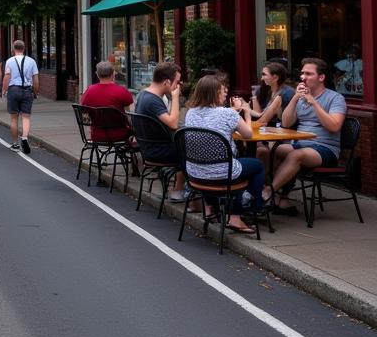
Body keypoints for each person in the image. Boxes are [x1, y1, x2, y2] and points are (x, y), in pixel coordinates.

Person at [183, 74, 270, 234]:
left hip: (195, 173)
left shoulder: (191, 113)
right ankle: (250, 208)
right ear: (215, 92)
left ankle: (213, 208)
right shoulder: (227, 114)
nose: (226, 94)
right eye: (223, 91)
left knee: (228, 164)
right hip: (223, 174)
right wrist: (246, 114)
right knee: (255, 165)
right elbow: (248, 135)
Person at [270, 58, 347, 214]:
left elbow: (334, 126)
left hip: (326, 149)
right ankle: (281, 197)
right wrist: (295, 98)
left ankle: (267, 193)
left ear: (321, 77)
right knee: (275, 150)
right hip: (302, 144)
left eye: (308, 74)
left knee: (295, 155)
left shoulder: (335, 98)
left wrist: (314, 103)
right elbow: (286, 122)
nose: (303, 77)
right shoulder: (301, 97)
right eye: (302, 73)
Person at [133, 60, 184, 201]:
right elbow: (173, 123)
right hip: (158, 151)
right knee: (192, 149)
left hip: (149, 148)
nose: (178, 85)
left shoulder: (143, 94)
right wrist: (174, 98)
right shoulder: (152, 100)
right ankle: (179, 191)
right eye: (177, 81)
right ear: (167, 82)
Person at [80, 61, 133, 144]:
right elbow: (130, 115)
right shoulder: (121, 91)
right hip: (120, 134)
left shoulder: (89, 90)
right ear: (113, 74)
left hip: (97, 135)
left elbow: (84, 113)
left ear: (97, 74)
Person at [0, 40, 38, 153]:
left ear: (13, 49)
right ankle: (25, 137)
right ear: (24, 48)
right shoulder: (31, 61)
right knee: (26, 117)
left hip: (14, 90)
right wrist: (35, 92)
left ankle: (15, 143)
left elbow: (7, 77)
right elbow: (35, 79)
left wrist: (4, 90)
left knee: (14, 119)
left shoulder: (9, 61)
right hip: (27, 90)